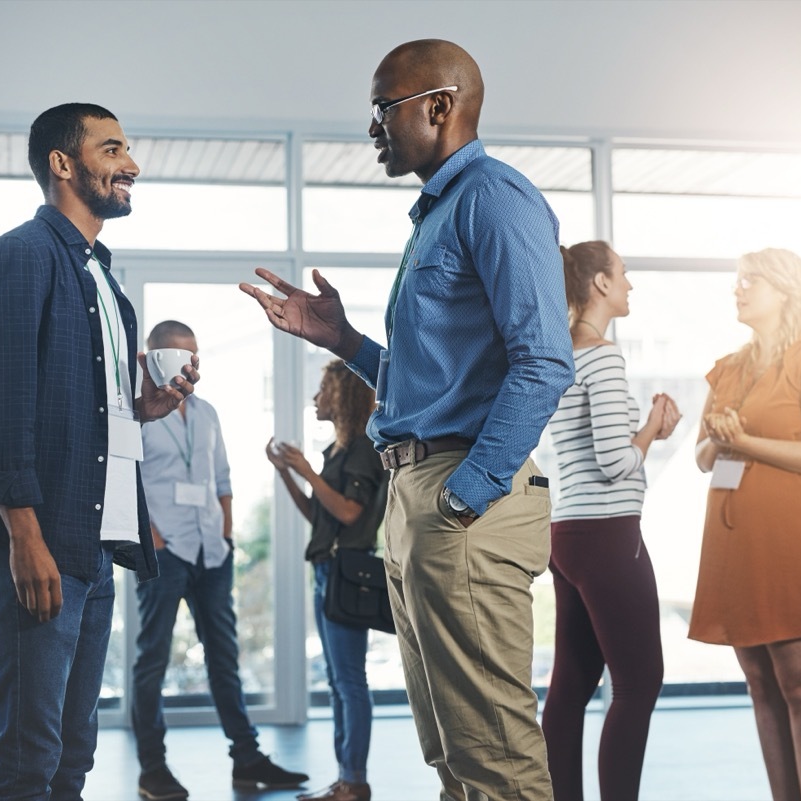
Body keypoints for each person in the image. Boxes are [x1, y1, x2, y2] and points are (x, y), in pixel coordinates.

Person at [241, 39, 574, 801]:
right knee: (453, 753)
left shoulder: (494, 197)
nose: (372, 129)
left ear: (440, 106)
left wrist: (467, 493)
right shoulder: (439, 214)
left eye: (383, 109)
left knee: (494, 757)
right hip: (418, 496)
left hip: (459, 499)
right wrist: (342, 340)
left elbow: (546, 359)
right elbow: (427, 386)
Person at [0, 103, 199, 801]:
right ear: (64, 164)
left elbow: (87, 414)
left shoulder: (105, 281)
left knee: (69, 760)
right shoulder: (21, 258)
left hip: (92, 547)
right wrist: (24, 537)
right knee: (27, 762)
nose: (132, 164)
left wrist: (142, 408)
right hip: (40, 543)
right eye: (113, 148)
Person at [690, 248, 801, 801]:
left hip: (794, 545)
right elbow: (703, 457)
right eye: (737, 280)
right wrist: (719, 436)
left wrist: (744, 439)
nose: (739, 289)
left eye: (750, 281)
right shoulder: (729, 367)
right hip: (736, 547)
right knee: (761, 687)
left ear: (784, 290)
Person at [131, 320, 308, 801]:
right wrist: (154, 538)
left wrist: (226, 534)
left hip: (212, 550)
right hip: (164, 551)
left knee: (225, 659)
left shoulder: (207, 413)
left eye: (192, 355)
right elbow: (127, 479)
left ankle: (247, 760)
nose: (186, 364)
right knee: (152, 660)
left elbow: (223, 479)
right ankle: (153, 769)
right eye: (175, 355)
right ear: (150, 359)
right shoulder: (137, 412)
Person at [540, 241, 681, 801]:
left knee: (571, 684)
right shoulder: (601, 355)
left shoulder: (559, 353)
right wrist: (652, 426)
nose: (630, 284)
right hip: (607, 532)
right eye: (623, 274)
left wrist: (646, 432)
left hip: (567, 532)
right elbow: (616, 460)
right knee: (639, 683)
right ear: (599, 283)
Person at [266, 360, 388, 801]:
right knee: (340, 682)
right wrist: (287, 472)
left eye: (323, 389)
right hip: (327, 568)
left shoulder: (362, 450)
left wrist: (306, 471)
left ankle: (354, 781)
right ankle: (345, 778)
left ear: (344, 396)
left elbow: (351, 513)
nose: (317, 397)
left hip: (347, 572)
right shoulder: (335, 452)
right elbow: (319, 517)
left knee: (349, 681)